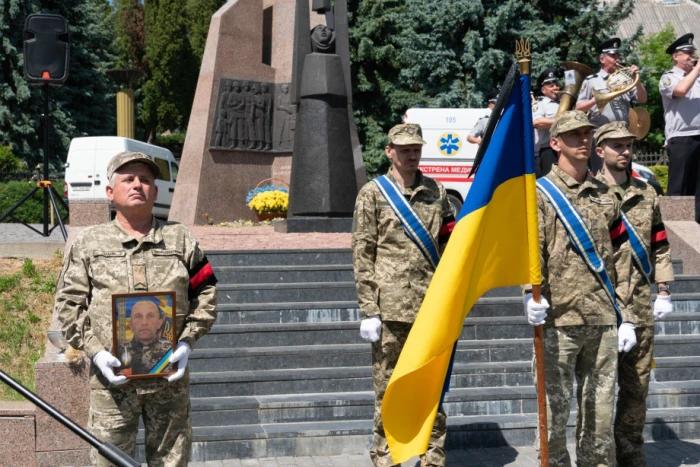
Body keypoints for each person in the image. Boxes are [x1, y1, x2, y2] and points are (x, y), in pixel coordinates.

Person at [55, 151, 218, 466]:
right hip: (112, 383)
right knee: (109, 461)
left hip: (168, 382)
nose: (137, 185)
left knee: (171, 461)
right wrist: (96, 352)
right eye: (127, 179)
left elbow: (206, 290)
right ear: (109, 192)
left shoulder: (180, 239)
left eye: (145, 180)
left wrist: (188, 341)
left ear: (155, 192)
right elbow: (69, 302)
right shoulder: (89, 242)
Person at [522, 111, 635, 467]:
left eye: (587, 134)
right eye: (574, 135)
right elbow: (530, 250)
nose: (583, 140)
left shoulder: (607, 195)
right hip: (558, 318)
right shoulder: (537, 195)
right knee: (553, 414)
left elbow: (622, 257)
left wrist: (626, 314)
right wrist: (528, 294)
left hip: (602, 318)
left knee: (600, 414)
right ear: (555, 143)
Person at [352, 123, 455, 467]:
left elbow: (451, 246)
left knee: (432, 391)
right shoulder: (373, 193)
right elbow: (363, 252)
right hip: (390, 309)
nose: (412, 154)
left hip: (430, 309)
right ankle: (387, 458)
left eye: (416, 148)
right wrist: (369, 309)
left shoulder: (437, 192)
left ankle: (432, 458)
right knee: (388, 391)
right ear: (389, 151)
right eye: (405, 149)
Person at [593, 121, 675, 466]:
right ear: (600, 151)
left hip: (640, 303)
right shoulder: (588, 194)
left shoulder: (647, 193)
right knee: (597, 391)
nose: (625, 152)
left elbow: (659, 244)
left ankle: (630, 454)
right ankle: (598, 457)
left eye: (628, 146)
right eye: (616, 146)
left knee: (636, 387)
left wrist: (664, 290)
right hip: (598, 303)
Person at [576, 37, 647, 174]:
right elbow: (578, 108)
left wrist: (636, 80)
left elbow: (642, 99)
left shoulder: (626, 80)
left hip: (622, 134)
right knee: (601, 176)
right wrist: (596, 100)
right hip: (600, 135)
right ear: (602, 59)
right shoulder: (592, 81)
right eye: (613, 56)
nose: (617, 59)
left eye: (618, 56)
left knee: (624, 176)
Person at [660, 33, 700, 224]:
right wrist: (698, 68)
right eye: (687, 53)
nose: (692, 56)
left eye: (693, 52)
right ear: (676, 56)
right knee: (679, 186)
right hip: (682, 137)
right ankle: (675, 235)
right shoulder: (668, 77)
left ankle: (696, 234)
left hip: (699, 135)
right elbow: (681, 91)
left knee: (698, 189)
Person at [117, 300, 174, 376]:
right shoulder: (118, 351)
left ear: (159, 323)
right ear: (131, 325)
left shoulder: (171, 350)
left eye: (150, 316)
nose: (144, 322)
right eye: (138, 316)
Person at [533, 68, 561, 178]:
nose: (555, 88)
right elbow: (537, 122)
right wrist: (560, 121)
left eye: (556, 85)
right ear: (544, 90)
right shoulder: (540, 104)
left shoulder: (565, 102)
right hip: (548, 150)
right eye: (551, 86)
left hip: (566, 149)